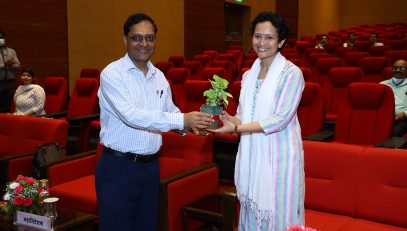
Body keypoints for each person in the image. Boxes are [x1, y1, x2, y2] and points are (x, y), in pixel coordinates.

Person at [95, 13, 213, 231]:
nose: (144, 44)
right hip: (119, 167)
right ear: (125, 40)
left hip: (151, 168)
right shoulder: (112, 74)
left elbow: (169, 110)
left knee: (147, 226)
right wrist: (181, 119)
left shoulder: (159, 76)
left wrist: (189, 125)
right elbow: (131, 115)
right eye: (137, 38)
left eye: (149, 38)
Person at [209, 11, 305, 230]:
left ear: (281, 41)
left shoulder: (291, 74)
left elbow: (279, 120)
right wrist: (228, 119)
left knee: (279, 217)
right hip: (253, 157)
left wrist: (238, 127)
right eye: (257, 36)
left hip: (280, 160)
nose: (262, 43)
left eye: (269, 37)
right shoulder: (248, 75)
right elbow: (245, 115)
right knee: (251, 213)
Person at [380, 59, 407, 137]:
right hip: (383, 117)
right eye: (395, 68)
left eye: (401, 68)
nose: (397, 70)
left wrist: (405, 113)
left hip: (402, 120)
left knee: (390, 134)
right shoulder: (382, 85)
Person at [0, 30, 20, 112]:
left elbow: (18, 66)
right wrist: (4, 64)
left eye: (1, 37)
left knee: (10, 104)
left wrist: (12, 65)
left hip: (10, 83)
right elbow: (5, 64)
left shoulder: (11, 51)